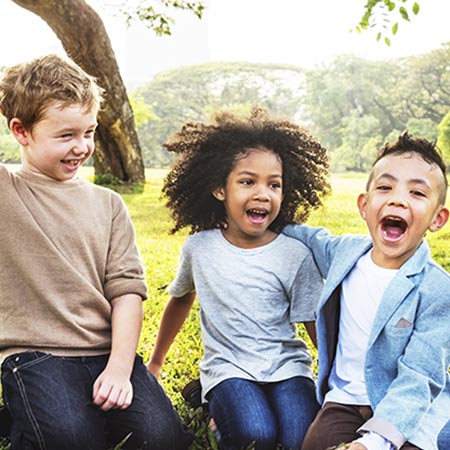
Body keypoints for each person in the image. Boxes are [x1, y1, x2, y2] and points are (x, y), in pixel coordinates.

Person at [0, 54, 193, 450]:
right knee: (70, 439)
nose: (82, 147)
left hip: (106, 352)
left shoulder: (108, 205)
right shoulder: (6, 190)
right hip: (36, 354)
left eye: (88, 132)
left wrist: (121, 369)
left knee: (163, 439)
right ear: (21, 131)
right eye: (66, 135)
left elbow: (127, 293)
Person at [146, 108, 329, 450]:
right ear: (219, 188)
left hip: (288, 368)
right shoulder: (199, 248)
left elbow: (311, 320)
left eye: (274, 184)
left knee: (300, 440)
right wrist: (156, 363)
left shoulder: (294, 254)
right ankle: (210, 405)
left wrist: (337, 375)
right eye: (248, 181)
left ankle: (217, 404)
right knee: (254, 435)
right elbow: (181, 299)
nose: (263, 194)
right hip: (228, 368)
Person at [284, 132, 450, 450]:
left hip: (410, 408)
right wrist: (264, 220)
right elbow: (308, 237)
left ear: (437, 218)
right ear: (364, 204)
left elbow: (419, 375)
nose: (397, 199)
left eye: (417, 192)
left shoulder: (439, 290)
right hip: (344, 403)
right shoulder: (345, 253)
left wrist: (372, 443)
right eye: (385, 187)